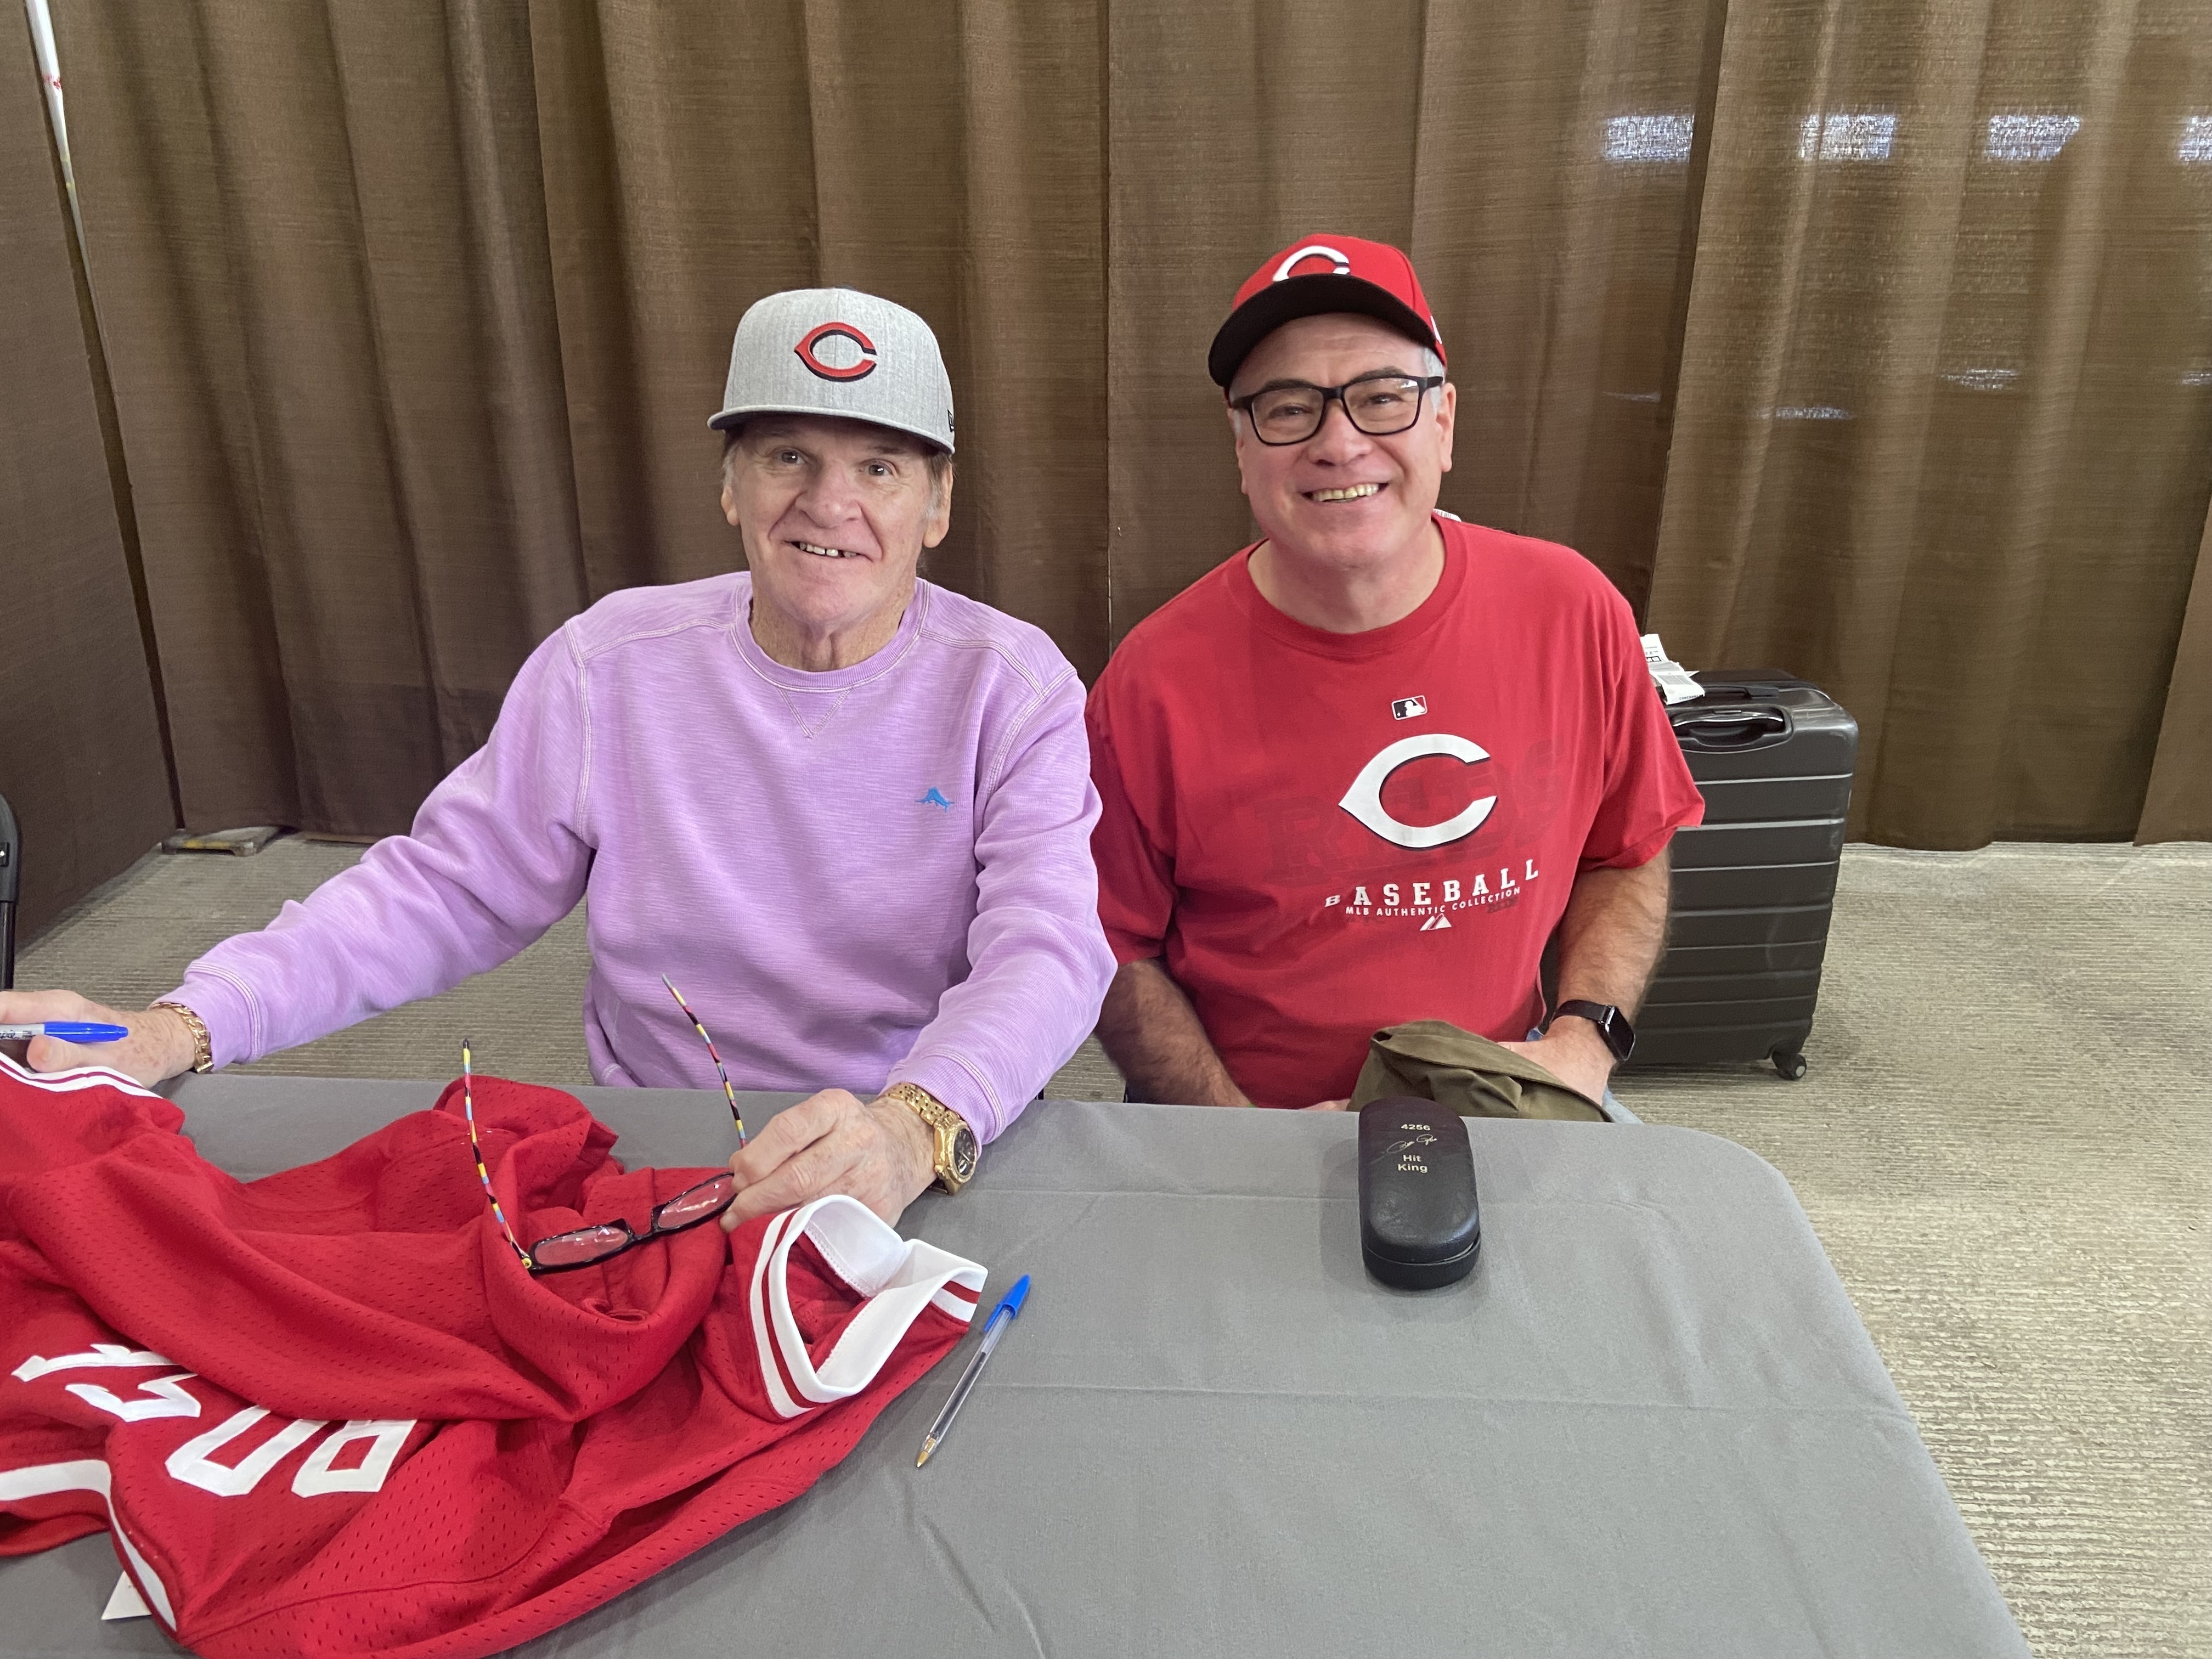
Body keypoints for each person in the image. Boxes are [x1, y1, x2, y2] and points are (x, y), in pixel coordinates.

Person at [1, 288, 1115, 1224]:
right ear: (731, 484)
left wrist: (910, 1132)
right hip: (668, 1145)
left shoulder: (1011, 688)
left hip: (918, 1136)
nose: (829, 504)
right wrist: (180, 1023)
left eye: (879, 467)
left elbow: (1050, 948)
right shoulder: (610, 664)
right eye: (788, 455)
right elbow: (441, 893)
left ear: (938, 503)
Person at [1086, 236, 1703, 1112]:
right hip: (1243, 1121)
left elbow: (1628, 847)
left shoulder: (1574, 611)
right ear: (1240, 448)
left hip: (1503, 1093)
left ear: (1443, 422)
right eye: (1289, 408)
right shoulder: (1153, 681)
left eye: (1382, 398)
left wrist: (1585, 1039)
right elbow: (1111, 946)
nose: (1340, 444)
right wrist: (1240, 1132)